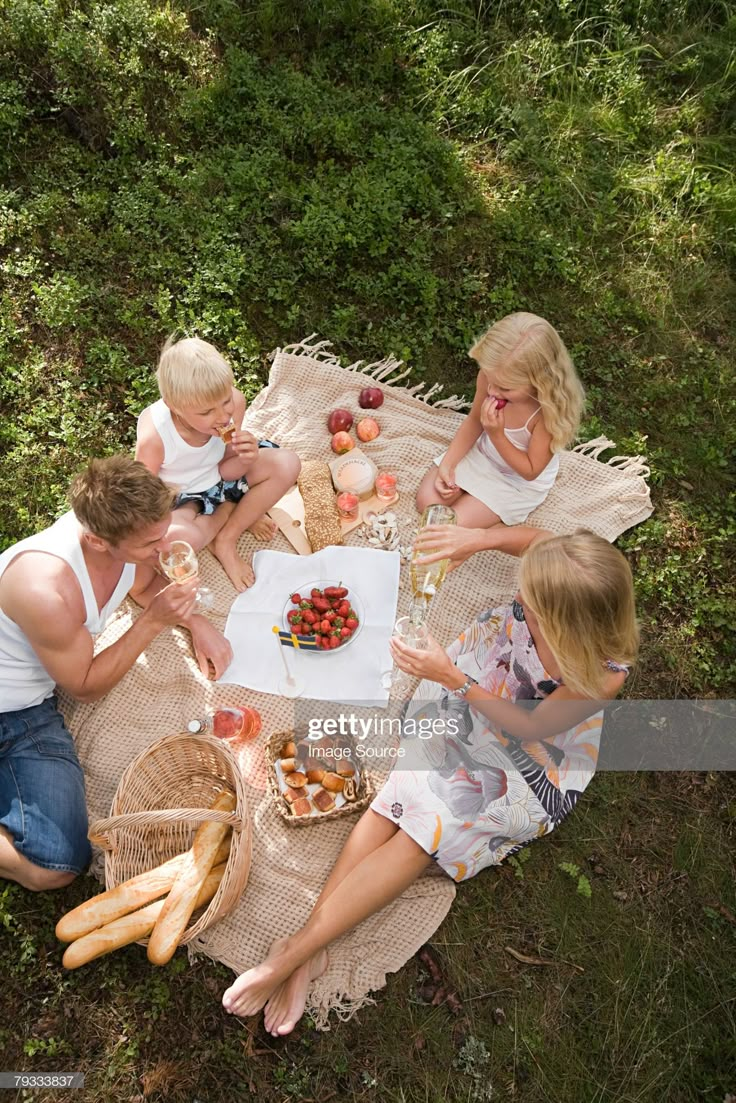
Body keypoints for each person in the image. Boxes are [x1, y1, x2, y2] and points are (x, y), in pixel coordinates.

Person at [221, 528, 639, 1034]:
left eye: (529, 602)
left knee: (425, 832)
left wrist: (451, 679)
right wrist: (475, 539)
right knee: (391, 802)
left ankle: (293, 953)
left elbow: (529, 727)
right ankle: (312, 949)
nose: (518, 597)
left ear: (564, 620)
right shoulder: (567, 566)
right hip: (483, 683)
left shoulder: (603, 673)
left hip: (525, 752)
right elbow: (538, 540)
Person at [0, 456, 232, 892]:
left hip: (28, 705)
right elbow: (84, 686)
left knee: (62, 862)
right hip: (12, 713)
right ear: (97, 540)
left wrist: (197, 623)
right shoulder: (44, 590)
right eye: (151, 544)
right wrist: (152, 623)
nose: (164, 550)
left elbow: (140, 583)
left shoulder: (126, 534)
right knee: (45, 871)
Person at [136, 336, 301, 592]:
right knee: (179, 541)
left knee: (287, 464)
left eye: (225, 401)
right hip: (181, 496)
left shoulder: (234, 404)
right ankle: (235, 512)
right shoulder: (155, 436)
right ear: (174, 407)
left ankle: (226, 537)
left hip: (220, 474)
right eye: (206, 413)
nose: (223, 416)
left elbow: (224, 465)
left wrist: (246, 459)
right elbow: (145, 496)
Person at [416, 313, 585, 527]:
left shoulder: (546, 413)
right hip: (484, 456)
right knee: (429, 505)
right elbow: (474, 421)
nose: (493, 392)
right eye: (490, 381)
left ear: (539, 382)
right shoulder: (492, 377)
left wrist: (497, 435)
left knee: (450, 524)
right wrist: (448, 465)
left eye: (505, 388)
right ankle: (472, 494)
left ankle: (484, 504)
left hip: (516, 482)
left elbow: (530, 471)